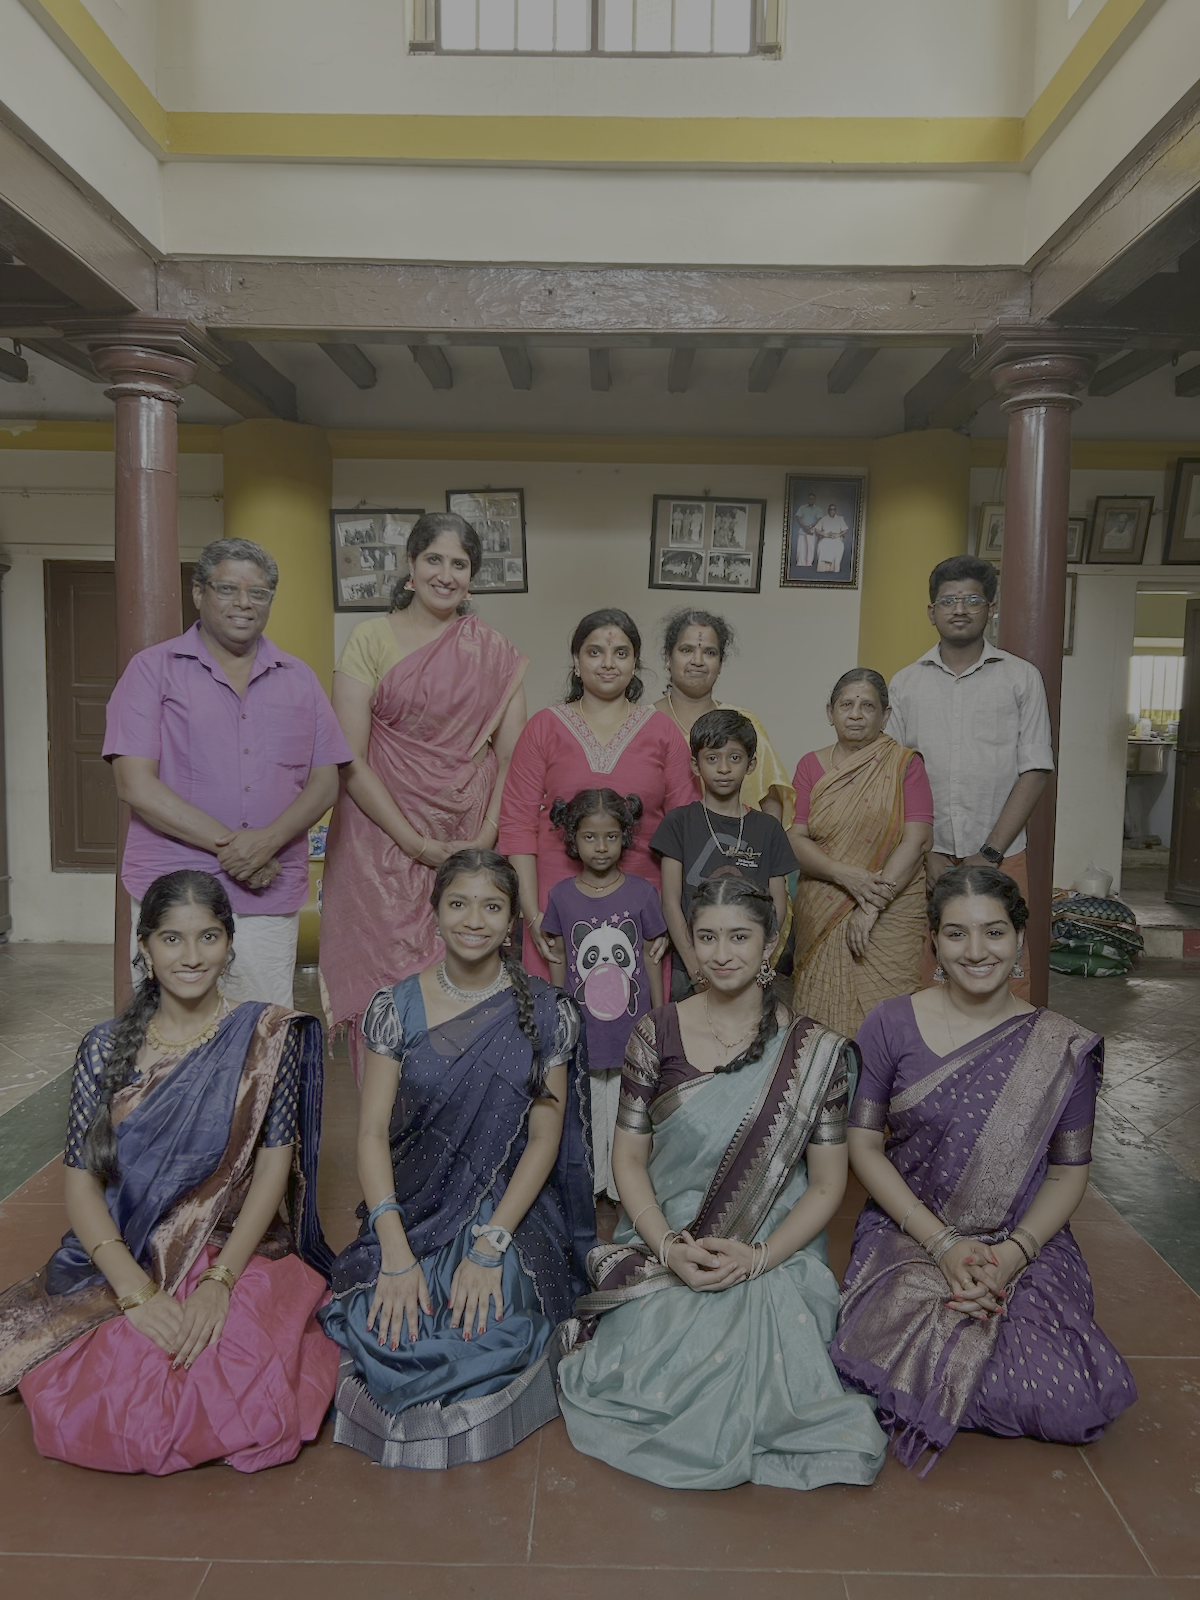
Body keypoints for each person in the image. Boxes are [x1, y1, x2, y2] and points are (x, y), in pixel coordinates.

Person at [0, 870, 337, 1474]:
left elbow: (272, 1172)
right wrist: (134, 1293)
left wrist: (219, 1283)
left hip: (231, 1246)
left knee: (237, 1384)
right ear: (145, 947)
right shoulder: (104, 1049)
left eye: (208, 937)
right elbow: (80, 1185)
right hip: (127, 1250)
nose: (191, 956)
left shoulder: (267, 1037)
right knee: (108, 1398)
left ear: (230, 943)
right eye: (172, 939)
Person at [557, 878, 887, 1491]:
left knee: (756, 1352)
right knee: (649, 1363)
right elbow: (627, 1162)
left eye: (740, 937)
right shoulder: (656, 1033)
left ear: (769, 945)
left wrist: (759, 1257)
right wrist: (668, 1248)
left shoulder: (814, 1050)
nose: (722, 953)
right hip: (669, 1239)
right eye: (706, 937)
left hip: (775, 1251)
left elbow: (825, 1186)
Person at [831, 866, 1136, 1473]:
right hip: (911, 1228)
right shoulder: (890, 1023)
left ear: (1021, 938)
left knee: (1068, 1403)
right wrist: (943, 1244)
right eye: (957, 934)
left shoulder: (1061, 1046)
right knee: (870, 1352)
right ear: (934, 942)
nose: (977, 952)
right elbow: (863, 1145)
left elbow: (1066, 1174)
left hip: (1023, 1237)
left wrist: (1009, 1255)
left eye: (994, 932)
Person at [319, 850, 594, 1469]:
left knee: (486, 1328)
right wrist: (394, 1253)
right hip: (412, 1203)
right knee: (386, 1322)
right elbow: (369, 1136)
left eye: (492, 906)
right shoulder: (395, 1008)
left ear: (511, 919)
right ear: (434, 914)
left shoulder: (547, 1012)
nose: (475, 920)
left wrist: (489, 1246)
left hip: (507, 1208)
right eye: (459, 904)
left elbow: (545, 1142)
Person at [320, 513, 528, 1080]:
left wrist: (481, 841)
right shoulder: (370, 637)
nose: (445, 573)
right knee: (384, 988)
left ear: (472, 576)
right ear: (410, 568)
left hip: (468, 833)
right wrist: (413, 841)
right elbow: (350, 758)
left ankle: (448, 1141)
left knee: (461, 978)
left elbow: (512, 758)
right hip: (377, 840)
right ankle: (381, 1139)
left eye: (459, 563)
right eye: (433, 559)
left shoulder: (496, 652)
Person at [104, 538, 352, 1006]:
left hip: (268, 888)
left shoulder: (299, 678)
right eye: (227, 589)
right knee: (167, 1035)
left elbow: (325, 782)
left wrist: (268, 842)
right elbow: (133, 783)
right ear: (198, 593)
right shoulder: (152, 671)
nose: (244, 603)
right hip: (173, 885)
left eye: (258, 593)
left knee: (259, 1032)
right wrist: (240, 849)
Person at [887, 554, 1053, 1002]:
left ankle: (1008, 1067)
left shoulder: (1021, 678)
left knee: (1006, 967)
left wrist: (990, 852)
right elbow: (891, 777)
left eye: (972, 599)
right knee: (930, 968)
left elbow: (1035, 768)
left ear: (990, 607)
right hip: (928, 857)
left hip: (1002, 854)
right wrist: (926, 856)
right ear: (931, 611)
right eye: (948, 600)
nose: (959, 609)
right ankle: (937, 1068)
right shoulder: (904, 685)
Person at [499, 609, 694, 981]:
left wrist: (671, 916)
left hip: (644, 906)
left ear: (635, 663)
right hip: (554, 904)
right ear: (576, 660)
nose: (608, 663)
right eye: (595, 652)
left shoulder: (662, 731)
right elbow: (517, 823)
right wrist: (532, 911)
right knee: (556, 1021)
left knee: (635, 1018)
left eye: (621, 653)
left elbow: (684, 830)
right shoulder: (544, 727)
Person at [788, 669, 933, 1038]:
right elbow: (796, 837)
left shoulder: (905, 765)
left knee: (886, 1020)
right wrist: (844, 875)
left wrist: (871, 906)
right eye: (846, 705)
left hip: (891, 904)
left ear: (885, 715)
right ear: (830, 712)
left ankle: (880, 1091)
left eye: (867, 706)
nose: (855, 714)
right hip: (824, 900)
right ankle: (823, 1087)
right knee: (819, 1029)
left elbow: (916, 841)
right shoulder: (810, 765)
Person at [543, 788, 668, 1205]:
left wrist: (658, 1017)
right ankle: (594, 1184)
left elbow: (652, 958)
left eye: (611, 837)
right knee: (589, 1101)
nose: (601, 847)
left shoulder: (642, 893)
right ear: (573, 840)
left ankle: (623, 1187)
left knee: (629, 1103)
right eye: (590, 837)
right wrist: (560, 1017)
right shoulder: (561, 895)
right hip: (584, 1027)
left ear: (626, 837)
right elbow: (560, 958)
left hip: (631, 1027)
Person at [653, 709, 797, 998]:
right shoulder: (678, 822)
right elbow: (670, 899)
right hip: (689, 969)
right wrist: (695, 965)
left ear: (751, 763)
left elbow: (777, 905)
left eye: (734, 757)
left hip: (748, 967)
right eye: (712, 758)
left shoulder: (768, 829)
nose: (723, 768)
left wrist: (760, 959)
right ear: (695, 765)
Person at [653, 608, 795, 826]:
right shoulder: (643, 722)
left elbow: (770, 803)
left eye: (709, 653)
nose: (697, 661)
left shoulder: (742, 723)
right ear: (667, 658)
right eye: (686, 650)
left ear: (720, 663)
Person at [815, 503, 850, 572]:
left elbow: (845, 530)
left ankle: (834, 568)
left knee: (839, 546)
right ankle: (823, 568)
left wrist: (838, 535)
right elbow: (817, 529)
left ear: (835, 511)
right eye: (830, 509)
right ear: (828, 510)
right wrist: (825, 534)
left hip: (836, 538)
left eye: (833, 509)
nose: (832, 511)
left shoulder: (840, 519)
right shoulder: (824, 519)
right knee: (822, 545)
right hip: (826, 538)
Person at [793, 492, 821, 567]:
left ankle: (808, 563)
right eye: (809, 498)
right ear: (808, 499)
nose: (811, 500)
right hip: (802, 530)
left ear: (814, 500)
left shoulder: (817, 509)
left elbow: (818, 519)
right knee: (801, 548)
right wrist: (805, 527)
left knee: (811, 547)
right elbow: (798, 518)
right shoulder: (802, 507)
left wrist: (810, 527)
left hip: (811, 531)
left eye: (812, 498)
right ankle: (800, 563)